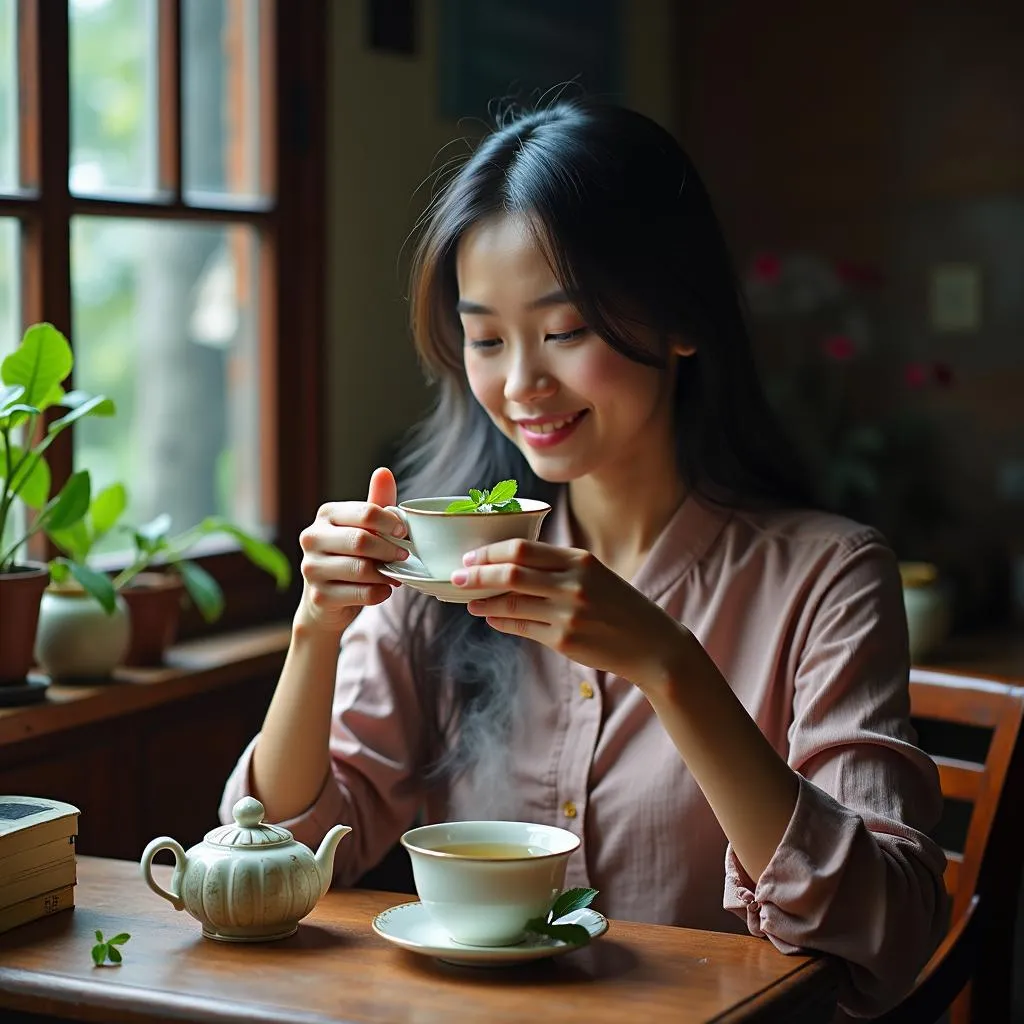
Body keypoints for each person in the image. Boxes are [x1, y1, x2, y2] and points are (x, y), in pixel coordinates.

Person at [221, 98, 947, 1018]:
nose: (521, 384)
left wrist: (668, 663)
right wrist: (315, 630)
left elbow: (887, 924)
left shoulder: (827, 576)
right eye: (486, 339)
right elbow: (281, 850)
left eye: (564, 332)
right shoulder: (440, 560)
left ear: (681, 319)